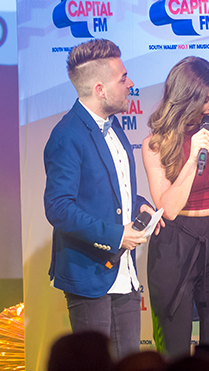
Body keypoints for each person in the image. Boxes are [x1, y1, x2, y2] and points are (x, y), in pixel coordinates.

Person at [44, 39, 157, 359]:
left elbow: (111, 188)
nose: (130, 84)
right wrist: (117, 235)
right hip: (88, 274)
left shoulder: (113, 126)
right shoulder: (67, 135)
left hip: (125, 274)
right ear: (100, 89)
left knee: (128, 363)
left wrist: (139, 204)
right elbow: (58, 207)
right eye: (123, 78)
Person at [142, 57, 209, 363]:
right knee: (173, 347)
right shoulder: (156, 144)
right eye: (206, 99)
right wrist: (192, 157)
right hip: (175, 243)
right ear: (185, 97)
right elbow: (169, 208)